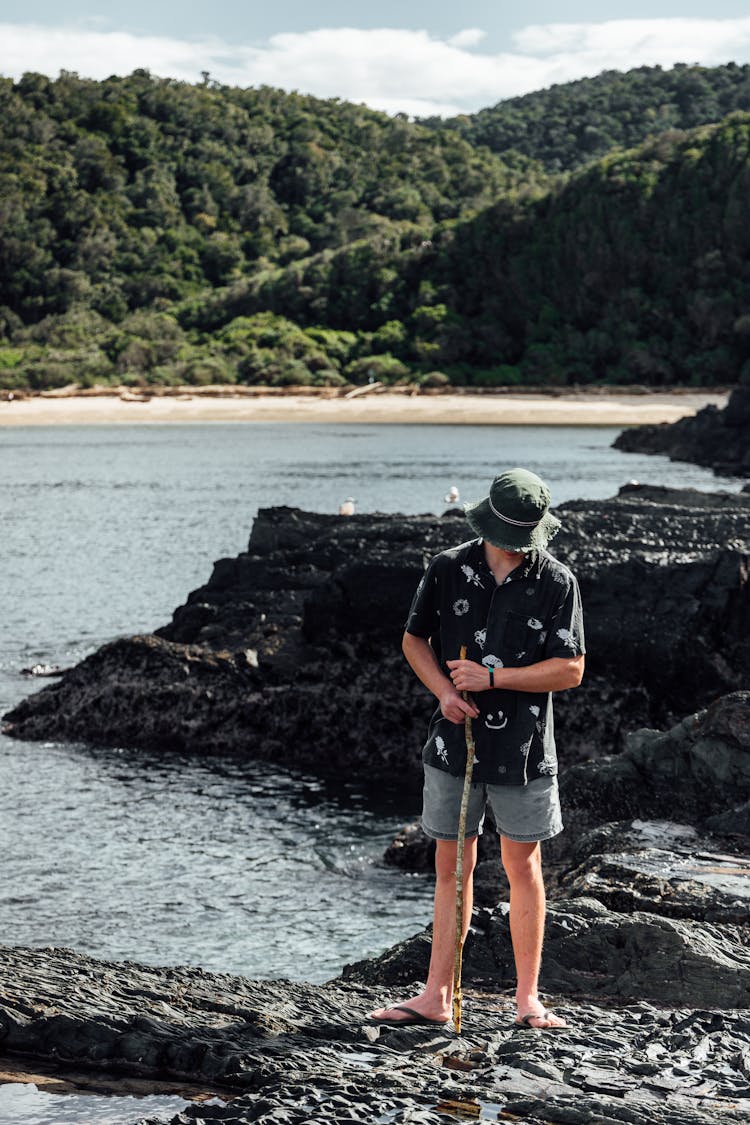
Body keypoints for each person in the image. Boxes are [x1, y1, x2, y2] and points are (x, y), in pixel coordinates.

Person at [370, 468, 585, 1030]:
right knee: (451, 868)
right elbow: (413, 639)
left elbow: (571, 669)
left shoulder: (558, 580)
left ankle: (528, 1000)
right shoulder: (447, 568)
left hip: (524, 750)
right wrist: (443, 691)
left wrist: (494, 680)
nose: (513, 549)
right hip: (452, 747)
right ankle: (436, 997)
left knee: (523, 868)